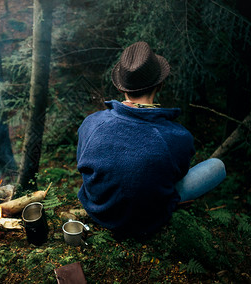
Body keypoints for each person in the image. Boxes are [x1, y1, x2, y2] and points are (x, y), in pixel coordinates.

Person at [76, 41, 226, 240]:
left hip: (99, 212)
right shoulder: (178, 136)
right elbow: (177, 176)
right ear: (160, 84)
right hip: (148, 221)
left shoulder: (91, 123)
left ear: (122, 88)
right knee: (217, 166)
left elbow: (83, 166)